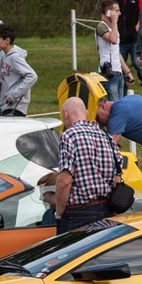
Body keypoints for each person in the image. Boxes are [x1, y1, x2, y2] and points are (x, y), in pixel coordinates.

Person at [54, 97, 120, 234]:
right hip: (106, 210)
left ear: (66, 113)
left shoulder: (69, 136)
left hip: (78, 213)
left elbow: (64, 182)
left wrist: (59, 213)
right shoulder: (106, 137)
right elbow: (117, 179)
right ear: (87, 113)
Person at [95, 0, 134, 101]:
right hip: (108, 73)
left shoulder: (113, 29)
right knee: (112, 105)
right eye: (116, 11)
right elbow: (112, 40)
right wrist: (114, 22)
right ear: (108, 12)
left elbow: (116, 52)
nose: (119, 13)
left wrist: (127, 72)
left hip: (118, 72)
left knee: (120, 103)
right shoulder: (101, 26)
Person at [0, 23, 37, 116]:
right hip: (6, 106)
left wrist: (14, 96)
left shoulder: (15, 57)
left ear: (7, 40)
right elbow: (8, 80)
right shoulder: (5, 57)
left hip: (15, 108)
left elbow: (32, 76)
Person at [109, 0, 142, 81]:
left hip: (134, 39)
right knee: (119, 67)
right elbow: (106, 15)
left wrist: (139, 24)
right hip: (119, 40)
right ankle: (123, 91)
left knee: (138, 63)